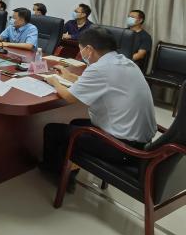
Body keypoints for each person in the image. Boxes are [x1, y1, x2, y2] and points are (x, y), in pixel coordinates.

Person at [41, 27, 156, 185]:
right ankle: (66, 169)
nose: (81, 53)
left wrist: (54, 81)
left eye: (81, 49)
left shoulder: (100, 68)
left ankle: (55, 173)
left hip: (121, 148)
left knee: (52, 130)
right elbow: (99, 83)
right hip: (141, 143)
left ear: (89, 49)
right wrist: (69, 76)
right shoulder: (125, 62)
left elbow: (69, 97)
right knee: (76, 123)